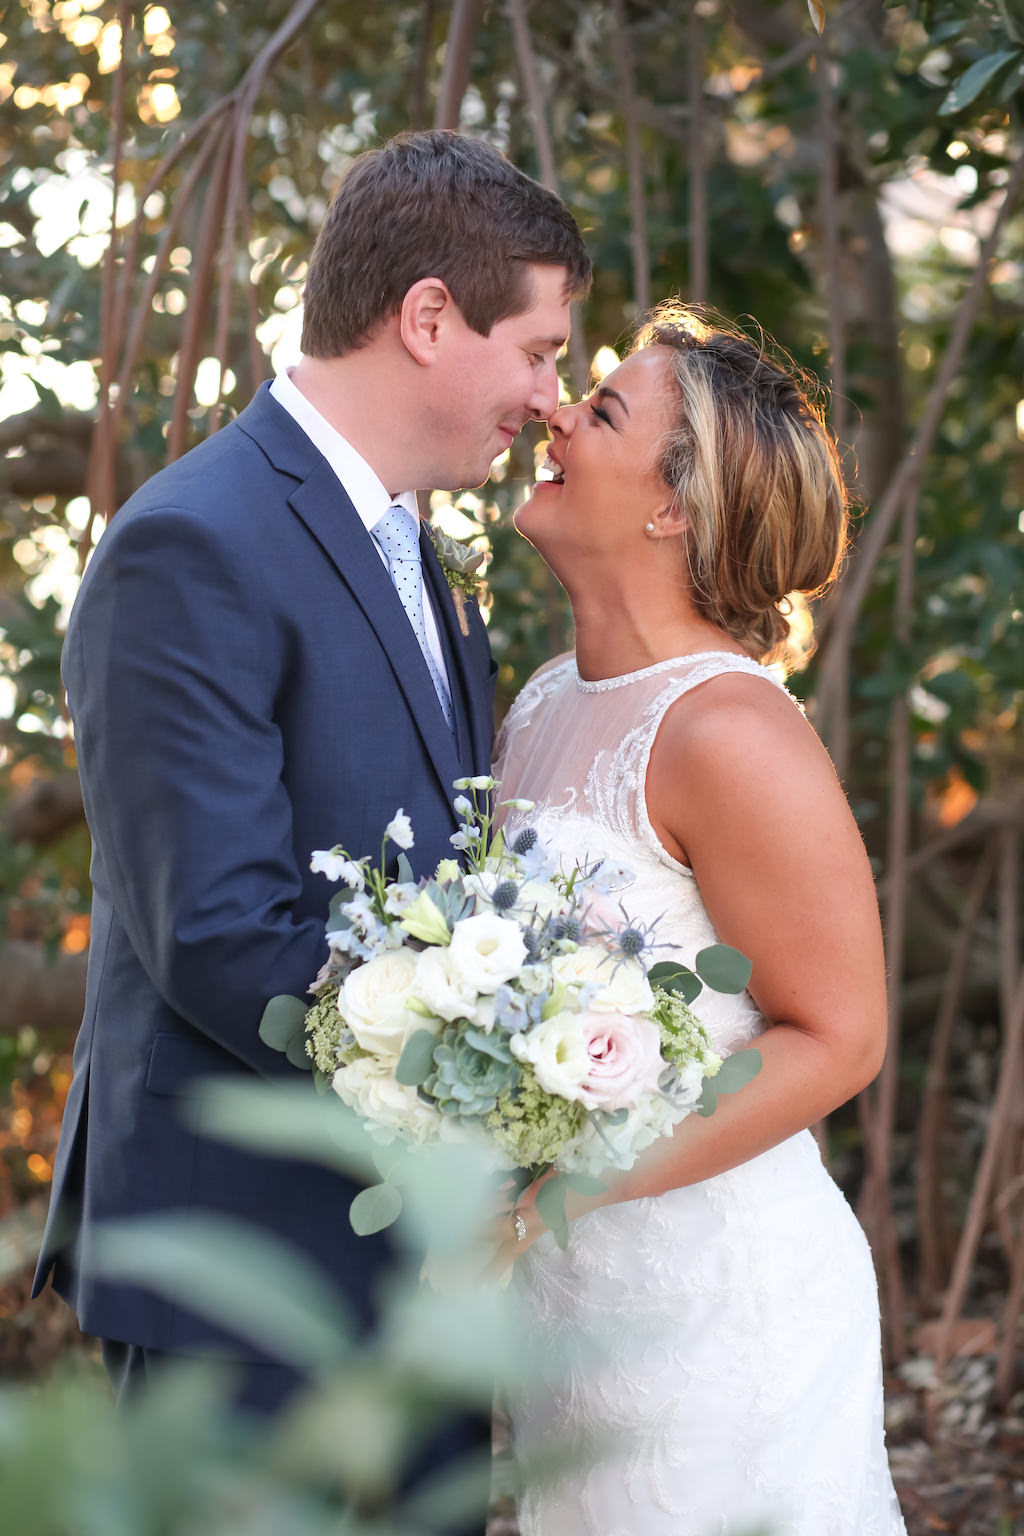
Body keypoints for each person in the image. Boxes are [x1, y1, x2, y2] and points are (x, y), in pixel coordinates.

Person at [33, 129, 591, 1420]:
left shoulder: (432, 574)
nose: (554, 398)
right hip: (242, 1268)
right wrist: (498, 1081)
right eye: (542, 351)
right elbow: (222, 933)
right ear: (431, 319)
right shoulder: (191, 545)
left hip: (424, 1271)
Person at [493, 305, 907, 1535]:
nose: (559, 413)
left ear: (673, 506)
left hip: (718, 1309)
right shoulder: (544, 701)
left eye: (603, 410)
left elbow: (838, 1036)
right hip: (568, 1307)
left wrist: (570, 1189)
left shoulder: (729, 733)